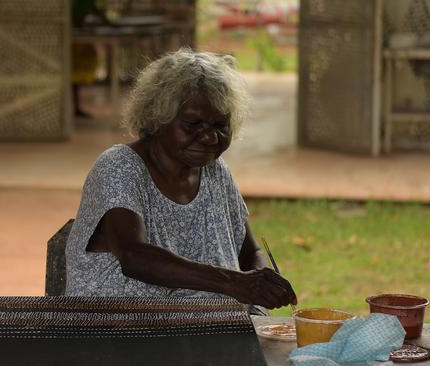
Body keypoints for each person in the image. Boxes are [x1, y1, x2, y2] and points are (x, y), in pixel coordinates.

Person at [64, 48, 297, 310]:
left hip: (204, 330)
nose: (209, 138)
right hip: (121, 332)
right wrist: (233, 283)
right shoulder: (119, 166)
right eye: (192, 125)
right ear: (157, 118)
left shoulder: (216, 172)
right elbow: (134, 256)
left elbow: (250, 252)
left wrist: (261, 292)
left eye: (220, 126)